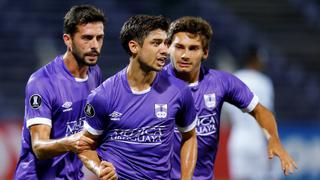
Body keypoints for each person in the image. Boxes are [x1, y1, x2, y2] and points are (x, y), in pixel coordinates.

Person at [165, 16, 297, 180]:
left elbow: (260, 111)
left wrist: (274, 140)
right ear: (168, 48)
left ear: (205, 53)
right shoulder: (153, 83)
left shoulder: (222, 82)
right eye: (179, 47)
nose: (185, 55)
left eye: (193, 48)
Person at [78, 15, 198, 179]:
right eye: (156, 43)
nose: (165, 50)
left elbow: (190, 137)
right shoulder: (102, 96)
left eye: (166, 43)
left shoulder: (179, 91)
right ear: (134, 47)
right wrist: (100, 169)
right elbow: (85, 146)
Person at [14, 5, 110, 179]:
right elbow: (39, 147)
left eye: (99, 38)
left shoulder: (95, 73)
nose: (95, 45)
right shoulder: (42, 82)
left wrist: (99, 168)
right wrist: (70, 142)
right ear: (68, 39)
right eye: (87, 38)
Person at [224, 46, 275, 179]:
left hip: (238, 140)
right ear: (253, 60)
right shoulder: (264, 82)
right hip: (257, 141)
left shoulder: (234, 79)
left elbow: (228, 115)